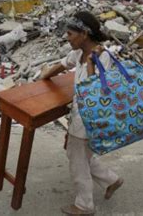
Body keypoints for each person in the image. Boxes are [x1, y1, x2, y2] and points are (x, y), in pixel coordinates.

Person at [40, 11, 124, 215]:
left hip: (90, 116)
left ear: (84, 33)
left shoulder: (102, 57)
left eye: (70, 34)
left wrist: (90, 65)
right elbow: (59, 66)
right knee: (80, 153)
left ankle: (84, 205)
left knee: (77, 157)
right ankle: (111, 180)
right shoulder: (77, 54)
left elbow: (95, 90)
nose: (67, 38)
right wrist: (44, 76)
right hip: (80, 115)